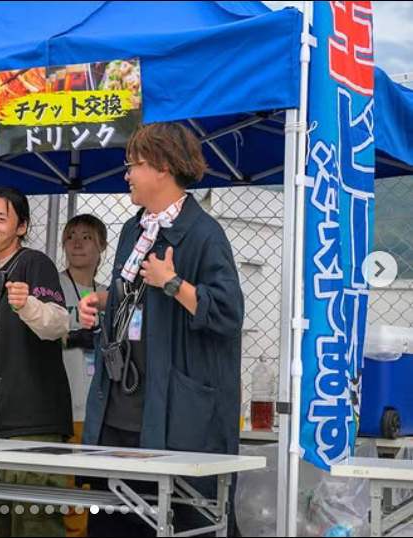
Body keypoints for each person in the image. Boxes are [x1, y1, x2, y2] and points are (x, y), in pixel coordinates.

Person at [78, 122, 244, 537]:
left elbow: (228, 313)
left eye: (133, 165)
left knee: (184, 519)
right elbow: (135, 297)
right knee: (112, 520)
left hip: (175, 417)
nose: (127, 175)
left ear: (163, 168)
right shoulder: (133, 229)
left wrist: (173, 283)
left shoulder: (205, 234)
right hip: (119, 405)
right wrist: (101, 300)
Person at [0, 186, 72, 538]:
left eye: (0, 218)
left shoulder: (35, 263)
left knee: (37, 527)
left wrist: (27, 305)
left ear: (21, 227)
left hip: (36, 423)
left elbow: (58, 324)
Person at [60, 214, 108, 538]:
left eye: (87, 237)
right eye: (71, 236)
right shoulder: (53, 286)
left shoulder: (109, 294)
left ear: (102, 246)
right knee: (68, 496)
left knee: (94, 496)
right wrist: (70, 337)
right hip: (65, 406)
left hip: (100, 411)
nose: (77, 243)